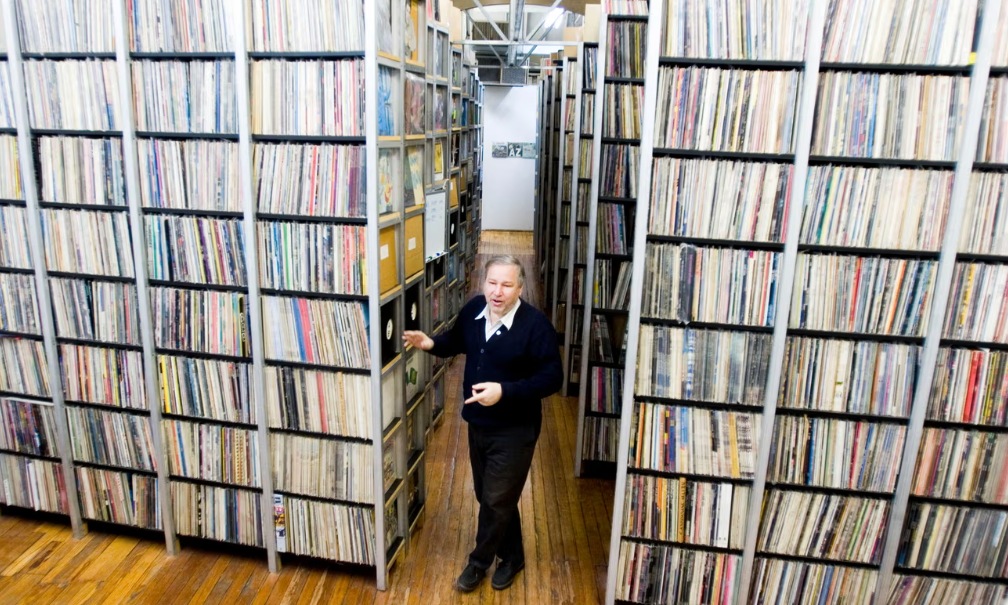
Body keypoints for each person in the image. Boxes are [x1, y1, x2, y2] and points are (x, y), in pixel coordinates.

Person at [403, 254, 563, 592]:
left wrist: (504, 391)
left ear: (520, 287)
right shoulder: (475, 311)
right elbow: (456, 341)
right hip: (478, 423)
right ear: (483, 283)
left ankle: (478, 563)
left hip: (515, 429)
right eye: (492, 282)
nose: (497, 291)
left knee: (494, 500)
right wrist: (430, 343)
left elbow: (551, 378)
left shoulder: (536, 326)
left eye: (507, 284)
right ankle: (514, 556)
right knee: (490, 496)